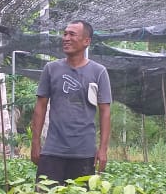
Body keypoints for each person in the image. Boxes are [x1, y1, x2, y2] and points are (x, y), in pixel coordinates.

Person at [30, 20, 112, 185]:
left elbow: (105, 112)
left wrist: (103, 149)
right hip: (53, 150)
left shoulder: (99, 72)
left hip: (84, 152)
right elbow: (40, 107)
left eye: (72, 34)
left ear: (86, 41)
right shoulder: (51, 69)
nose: (66, 38)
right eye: (65, 34)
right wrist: (35, 142)